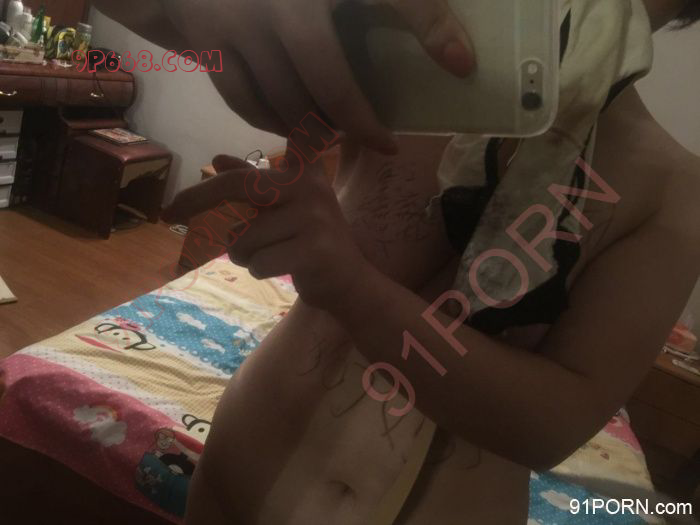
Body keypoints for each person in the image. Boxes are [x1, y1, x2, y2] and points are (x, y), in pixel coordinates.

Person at [95, 0, 700, 523]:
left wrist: (353, 287)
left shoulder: (674, 193)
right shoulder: (417, 62)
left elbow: (552, 426)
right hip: (234, 478)